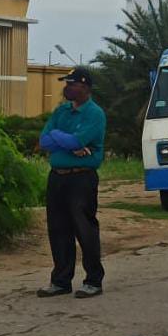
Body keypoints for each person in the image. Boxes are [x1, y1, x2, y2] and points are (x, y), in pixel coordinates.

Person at [36, 68, 107, 299]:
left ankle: (93, 280)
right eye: (66, 83)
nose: (66, 87)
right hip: (57, 176)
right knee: (58, 229)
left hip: (81, 178)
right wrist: (63, 139)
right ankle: (61, 281)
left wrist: (65, 139)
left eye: (72, 84)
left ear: (85, 87)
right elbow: (44, 141)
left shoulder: (94, 114)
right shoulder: (62, 111)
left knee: (84, 228)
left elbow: (78, 139)